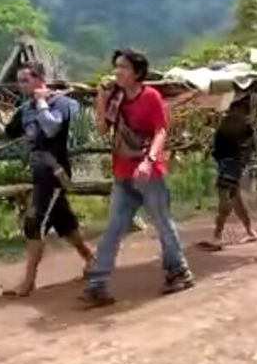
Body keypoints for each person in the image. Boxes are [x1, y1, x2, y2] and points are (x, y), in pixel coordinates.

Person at [81, 48, 195, 307]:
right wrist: (101, 99)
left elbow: (160, 131)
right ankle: (97, 283)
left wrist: (150, 159)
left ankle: (179, 272)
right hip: (123, 172)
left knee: (163, 223)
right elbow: (102, 128)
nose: (117, 72)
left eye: (123, 67)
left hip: (148, 173)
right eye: (116, 66)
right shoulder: (115, 99)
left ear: (137, 73)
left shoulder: (151, 97)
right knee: (113, 228)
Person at [0, 61, 94, 297]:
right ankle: (92, 259)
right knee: (63, 221)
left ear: (40, 79)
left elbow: (52, 129)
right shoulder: (26, 109)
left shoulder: (63, 103)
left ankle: (28, 281)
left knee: (34, 222)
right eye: (19, 81)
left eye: (26, 80)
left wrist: (42, 103)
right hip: (39, 172)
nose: (21, 85)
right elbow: (7, 135)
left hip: (55, 172)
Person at [198, 98, 257, 251]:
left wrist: (238, 169)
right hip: (227, 164)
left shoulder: (243, 127)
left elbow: (246, 152)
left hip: (233, 166)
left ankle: (217, 235)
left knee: (226, 201)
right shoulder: (229, 124)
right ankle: (250, 231)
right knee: (235, 200)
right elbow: (219, 148)